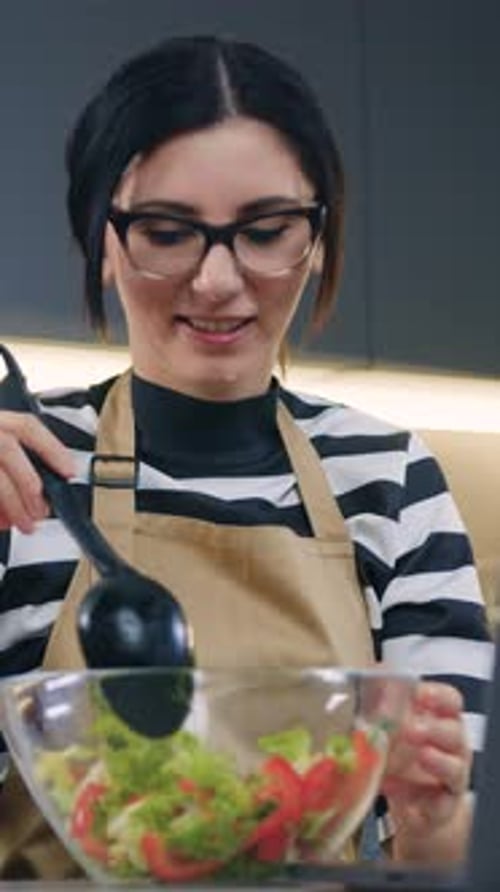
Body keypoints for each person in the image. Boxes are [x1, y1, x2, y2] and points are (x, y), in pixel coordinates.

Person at [0, 34, 492, 876]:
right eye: (167, 232)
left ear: (321, 239)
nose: (219, 280)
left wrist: (429, 805)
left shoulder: (388, 477)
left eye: (267, 231)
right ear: (105, 244)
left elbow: (450, 853)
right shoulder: (27, 464)